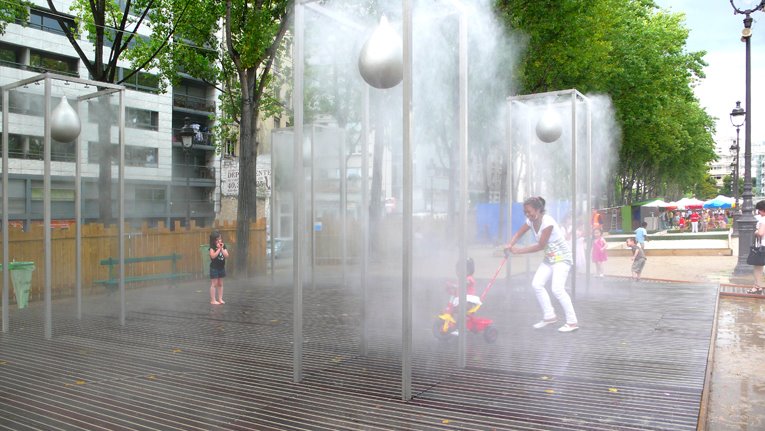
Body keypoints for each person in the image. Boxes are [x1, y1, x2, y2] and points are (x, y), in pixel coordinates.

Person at [505, 196, 579, 332]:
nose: (528, 215)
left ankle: (572, 322)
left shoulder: (547, 222)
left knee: (557, 289)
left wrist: (518, 251)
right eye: (525, 212)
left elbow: (540, 245)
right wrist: (510, 244)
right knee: (537, 284)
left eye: (529, 212)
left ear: (538, 210)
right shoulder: (530, 221)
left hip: (562, 258)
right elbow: (519, 233)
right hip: (550, 258)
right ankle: (549, 316)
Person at [749, 200, 765, 294]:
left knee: (758, 267)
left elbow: (760, 233)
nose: (758, 212)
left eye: (759, 210)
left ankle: (757, 287)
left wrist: (755, 232)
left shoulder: (763, 219)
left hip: (763, 246)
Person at [208, 230, 229, 305]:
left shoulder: (223, 246)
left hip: (221, 267)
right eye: (217, 239)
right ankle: (213, 300)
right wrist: (218, 249)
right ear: (213, 240)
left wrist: (222, 249)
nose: (219, 241)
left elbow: (226, 256)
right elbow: (213, 256)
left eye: (220, 239)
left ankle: (220, 298)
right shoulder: (212, 247)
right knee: (214, 283)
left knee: (220, 283)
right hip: (214, 268)